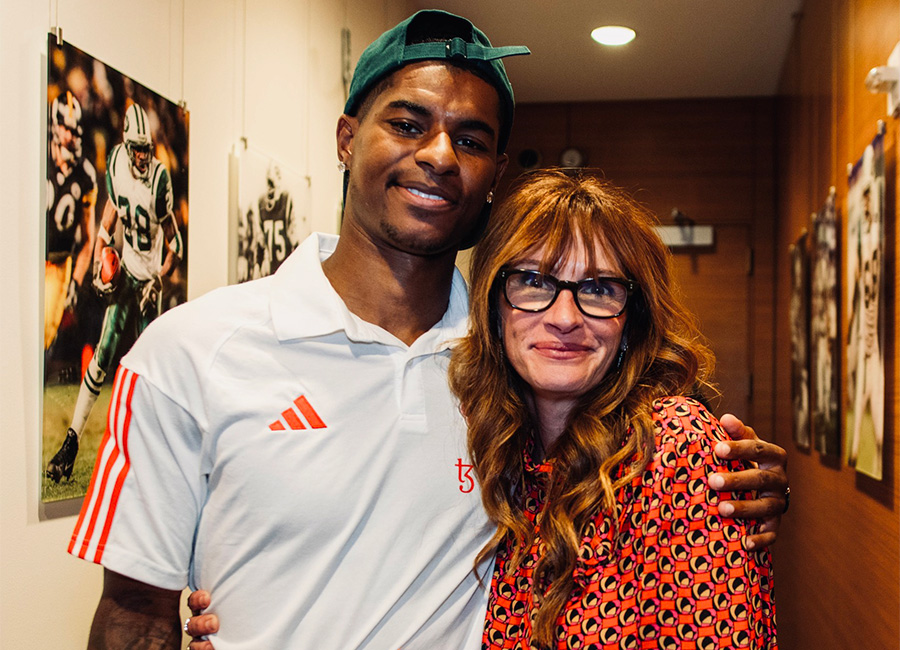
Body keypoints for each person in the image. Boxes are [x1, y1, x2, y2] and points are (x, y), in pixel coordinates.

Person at [73, 11, 786, 649]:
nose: (440, 155)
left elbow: (625, 475)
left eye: (470, 139)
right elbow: (134, 613)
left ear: (496, 173)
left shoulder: (514, 371)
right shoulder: (189, 353)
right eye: (408, 124)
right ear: (348, 139)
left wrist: (728, 478)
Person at [448, 170, 775, 648]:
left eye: (599, 289)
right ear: (493, 306)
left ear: (632, 320)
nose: (564, 318)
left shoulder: (673, 448)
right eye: (534, 281)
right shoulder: (505, 457)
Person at [46, 102, 183, 483]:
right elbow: (112, 210)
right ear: (126, 145)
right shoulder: (117, 164)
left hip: (148, 282)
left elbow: (175, 245)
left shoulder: (159, 181)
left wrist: (157, 277)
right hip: (124, 274)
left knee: (150, 370)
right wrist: (100, 250)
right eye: (136, 148)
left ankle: (154, 451)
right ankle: (72, 441)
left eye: (146, 149)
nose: (141, 156)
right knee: (103, 351)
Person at [44, 90, 97, 352]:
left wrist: (75, 281)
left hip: (57, 263)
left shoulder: (85, 175)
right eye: (67, 129)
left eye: (75, 131)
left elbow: (88, 240)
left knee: (42, 335)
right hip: (27, 258)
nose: (71, 137)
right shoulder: (39, 156)